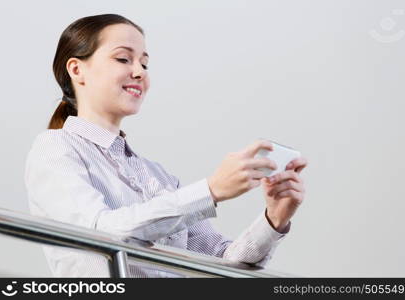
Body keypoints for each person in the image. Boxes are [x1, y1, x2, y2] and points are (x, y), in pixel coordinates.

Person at [24, 14, 308, 278]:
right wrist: (210, 191)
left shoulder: (157, 175)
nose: (139, 72)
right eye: (123, 59)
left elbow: (222, 261)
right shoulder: (55, 147)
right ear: (76, 69)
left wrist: (274, 219)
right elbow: (101, 233)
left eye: (144, 63)